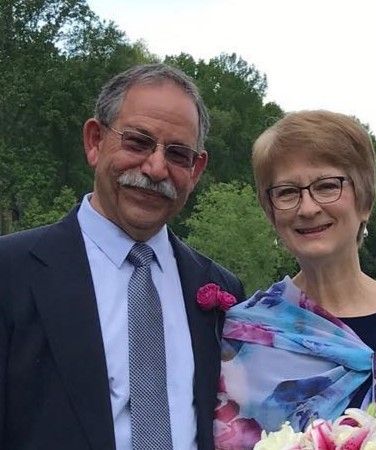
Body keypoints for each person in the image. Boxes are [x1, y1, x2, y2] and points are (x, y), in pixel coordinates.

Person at [0, 63, 245, 450]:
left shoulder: (221, 290)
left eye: (178, 154)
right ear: (95, 141)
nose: (156, 168)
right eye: (138, 142)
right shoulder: (11, 272)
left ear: (196, 169)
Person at [214, 110, 376, 449]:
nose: (308, 208)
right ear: (271, 212)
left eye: (327, 186)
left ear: (364, 200)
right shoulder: (240, 339)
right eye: (287, 192)